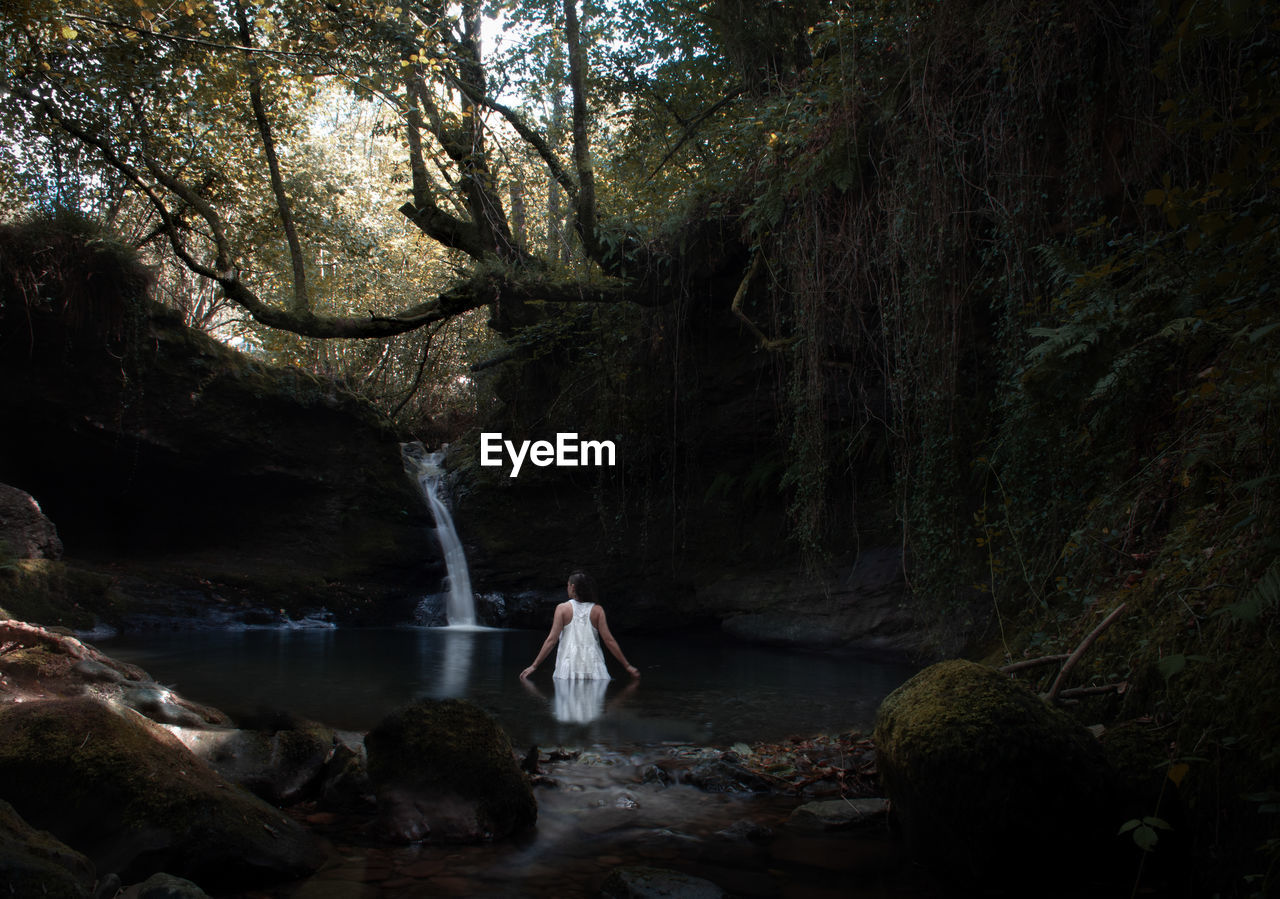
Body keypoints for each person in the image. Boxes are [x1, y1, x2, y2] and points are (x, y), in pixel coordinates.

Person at [520, 571, 639, 681]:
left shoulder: (562, 609)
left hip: (568, 670)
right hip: (593, 668)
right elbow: (609, 641)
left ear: (572, 587)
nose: (567, 588)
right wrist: (627, 666)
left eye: (567, 585)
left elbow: (551, 640)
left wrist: (534, 666)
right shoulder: (597, 610)